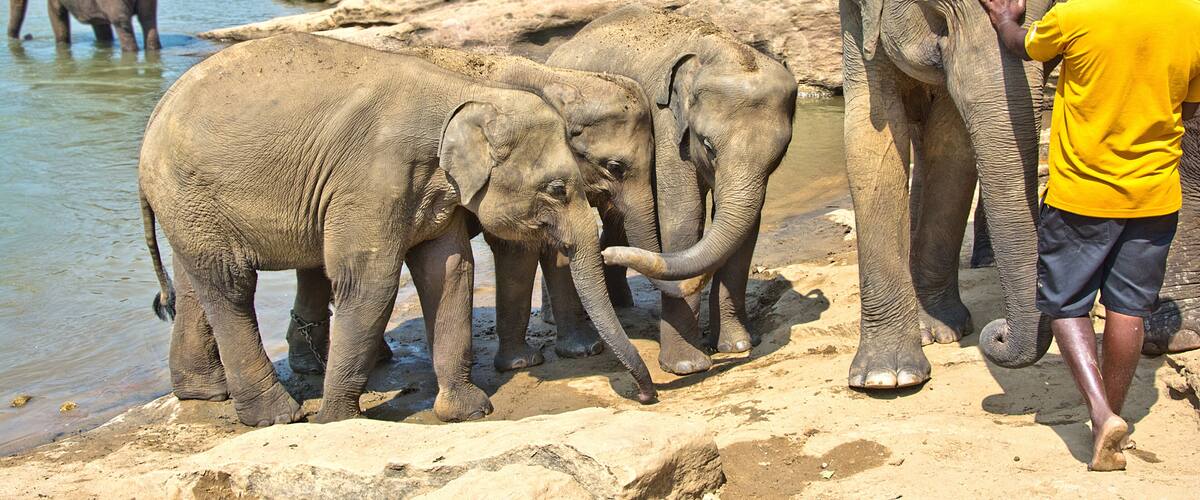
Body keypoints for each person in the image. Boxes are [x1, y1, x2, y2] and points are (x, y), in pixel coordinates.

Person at [979, 0, 1200, 471]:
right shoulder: (1192, 15)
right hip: (1155, 195)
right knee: (1128, 308)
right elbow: (1193, 104)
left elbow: (1025, 48)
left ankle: (1100, 415)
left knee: (1066, 303)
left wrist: (1005, 22)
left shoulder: (1077, 14)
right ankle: (1113, 417)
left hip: (1082, 197)